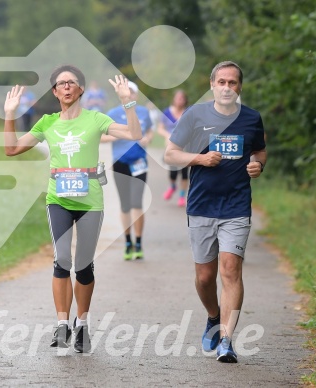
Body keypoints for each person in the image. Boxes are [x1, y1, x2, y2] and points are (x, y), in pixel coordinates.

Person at [3, 65, 142, 353]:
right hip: (59, 199)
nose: (67, 86)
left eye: (72, 83)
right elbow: (11, 149)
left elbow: (133, 133)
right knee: (62, 259)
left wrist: (127, 101)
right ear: (55, 92)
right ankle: (61, 324)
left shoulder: (95, 118)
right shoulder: (47, 122)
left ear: (80, 90)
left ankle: (82, 324)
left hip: (90, 200)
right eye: (61, 83)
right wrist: (9, 114)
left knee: (83, 266)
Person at [164, 61, 267, 363]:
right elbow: (170, 153)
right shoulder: (195, 115)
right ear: (212, 85)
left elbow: (260, 150)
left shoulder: (251, 118)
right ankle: (213, 314)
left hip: (236, 206)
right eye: (221, 82)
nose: (226, 87)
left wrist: (258, 165)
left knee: (230, 271)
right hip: (201, 206)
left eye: (232, 83)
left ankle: (226, 340)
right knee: (205, 277)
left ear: (239, 87)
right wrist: (199, 158)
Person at [104, 81, 153, 260]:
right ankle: (127, 241)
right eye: (126, 92)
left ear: (136, 95)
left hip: (139, 161)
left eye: (132, 92)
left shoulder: (144, 112)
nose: (129, 95)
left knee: (137, 203)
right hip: (120, 162)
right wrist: (120, 135)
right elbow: (101, 136)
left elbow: (149, 131)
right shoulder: (113, 114)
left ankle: (138, 241)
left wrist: (147, 138)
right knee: (125, 204)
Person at [158, 89, 189, 207]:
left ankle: (182, 196)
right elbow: (160, 128)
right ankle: (172, 187)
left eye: (182, 98)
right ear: (174, 99)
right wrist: (167, 135)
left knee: (185, 173)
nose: (180, 100)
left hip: (185, 147)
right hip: (171, 147)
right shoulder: (167, 112)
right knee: (173, 172)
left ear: (185, 100)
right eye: (178, 98)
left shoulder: (188, 112)